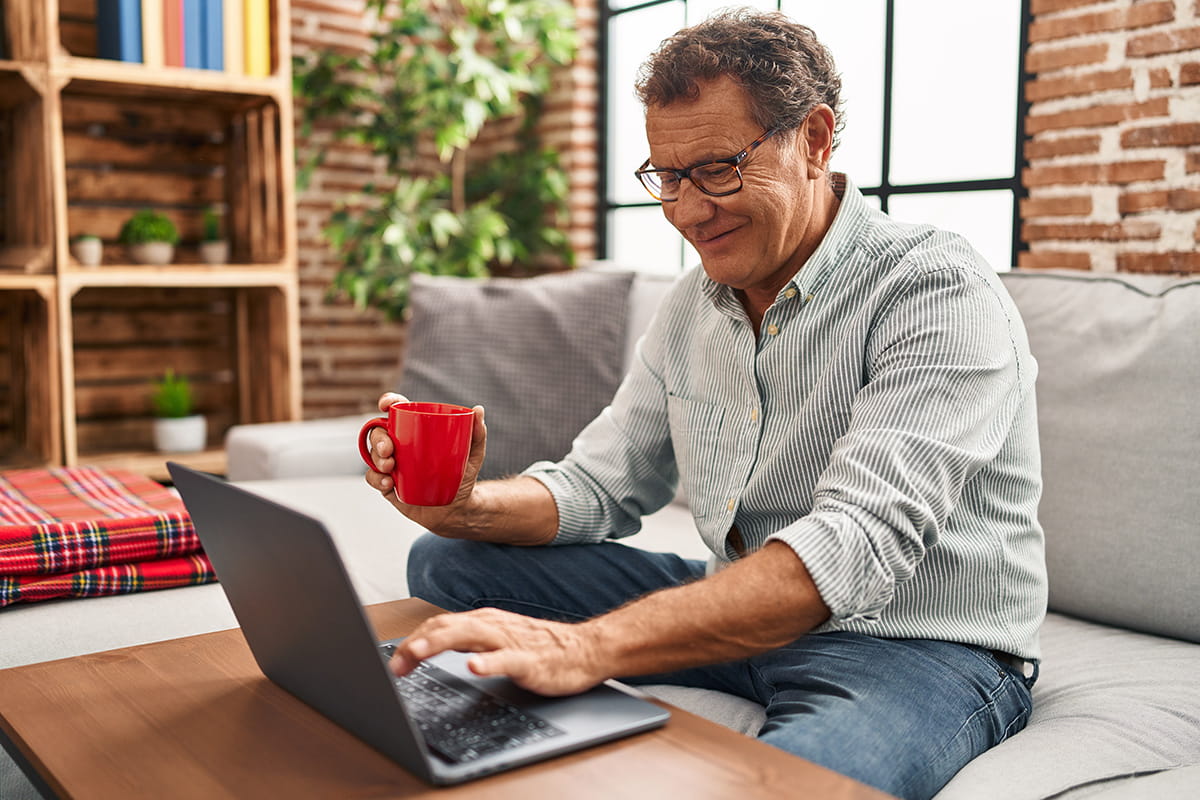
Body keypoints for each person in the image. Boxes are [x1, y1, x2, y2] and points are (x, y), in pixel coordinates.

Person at [364, 9, 1046, 799]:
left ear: (815, 139)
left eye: (719, 167)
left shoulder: (934, 287)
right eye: (669, 176)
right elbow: (597, 486)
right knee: (448, 560)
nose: (687, 212)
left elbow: (851, 545)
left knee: (786, 787)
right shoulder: (696, 305)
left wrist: (586, 648)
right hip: (742, 607)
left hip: (915, 643)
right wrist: (465, 504)